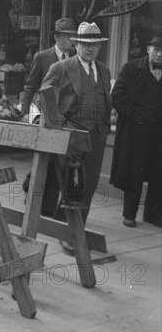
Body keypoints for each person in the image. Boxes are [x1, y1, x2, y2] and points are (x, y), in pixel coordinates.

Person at [40, 21, 112, 227]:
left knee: (89, 186)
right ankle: (70, 232)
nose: (90, 48)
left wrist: (106, 125)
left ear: (100, 46)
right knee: (73, 185)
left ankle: (77, 228)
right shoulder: (61, 68)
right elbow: (45, 99)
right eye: (85, 44)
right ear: (76, 45)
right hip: (71, 137)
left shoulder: (104, 71)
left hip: (97, 136)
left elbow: (105, 99)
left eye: (95, 45)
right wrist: (60, 129)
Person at [20, 17, 77, 216]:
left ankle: (46, 204)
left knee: (58, 162)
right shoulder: (43, 57)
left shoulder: (77, 57)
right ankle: (36, 194)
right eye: (69, 36)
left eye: (73, 36)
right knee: (47, 159)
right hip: (45, 116)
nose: (72, 40)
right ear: (59, 37)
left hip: (67, 118)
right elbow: (30, 85)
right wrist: (25, 111)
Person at [110, 33, 162, 228]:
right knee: (134, 172)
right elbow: (118, 97)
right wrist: (136, 116)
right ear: (148, 49)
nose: (159, 55)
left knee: (159, 173)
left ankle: (153, 215)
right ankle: (129, 214)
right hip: (135, 132)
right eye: (156, 50)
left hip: (159, 133)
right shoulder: (131, 68)